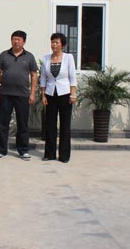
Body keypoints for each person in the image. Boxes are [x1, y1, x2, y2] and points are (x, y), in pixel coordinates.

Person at [0, 30, 38, 161]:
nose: (16, 42)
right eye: (14, 39)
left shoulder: (29, 57)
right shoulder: (4, 55)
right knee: (2, 123)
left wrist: (32, 93)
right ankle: (1, 150)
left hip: (23, 95)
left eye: (18, 39)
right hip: (5, 94)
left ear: (24, 42)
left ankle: (23, 150)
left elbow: (34, 75)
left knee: (22, 124)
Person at [40, 32, 77, 163]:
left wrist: (73, 94)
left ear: (62, 44)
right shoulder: (46, 59)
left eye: (56, 42)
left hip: (65, 94)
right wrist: (43, 95)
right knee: (50, 124)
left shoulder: (68, 58)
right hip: (50, 94)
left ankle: (64, 155)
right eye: (52, 42)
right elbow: (43, 78)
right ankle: (49, 154)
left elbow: (72, 77)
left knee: (65, 125)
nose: (54, 45)